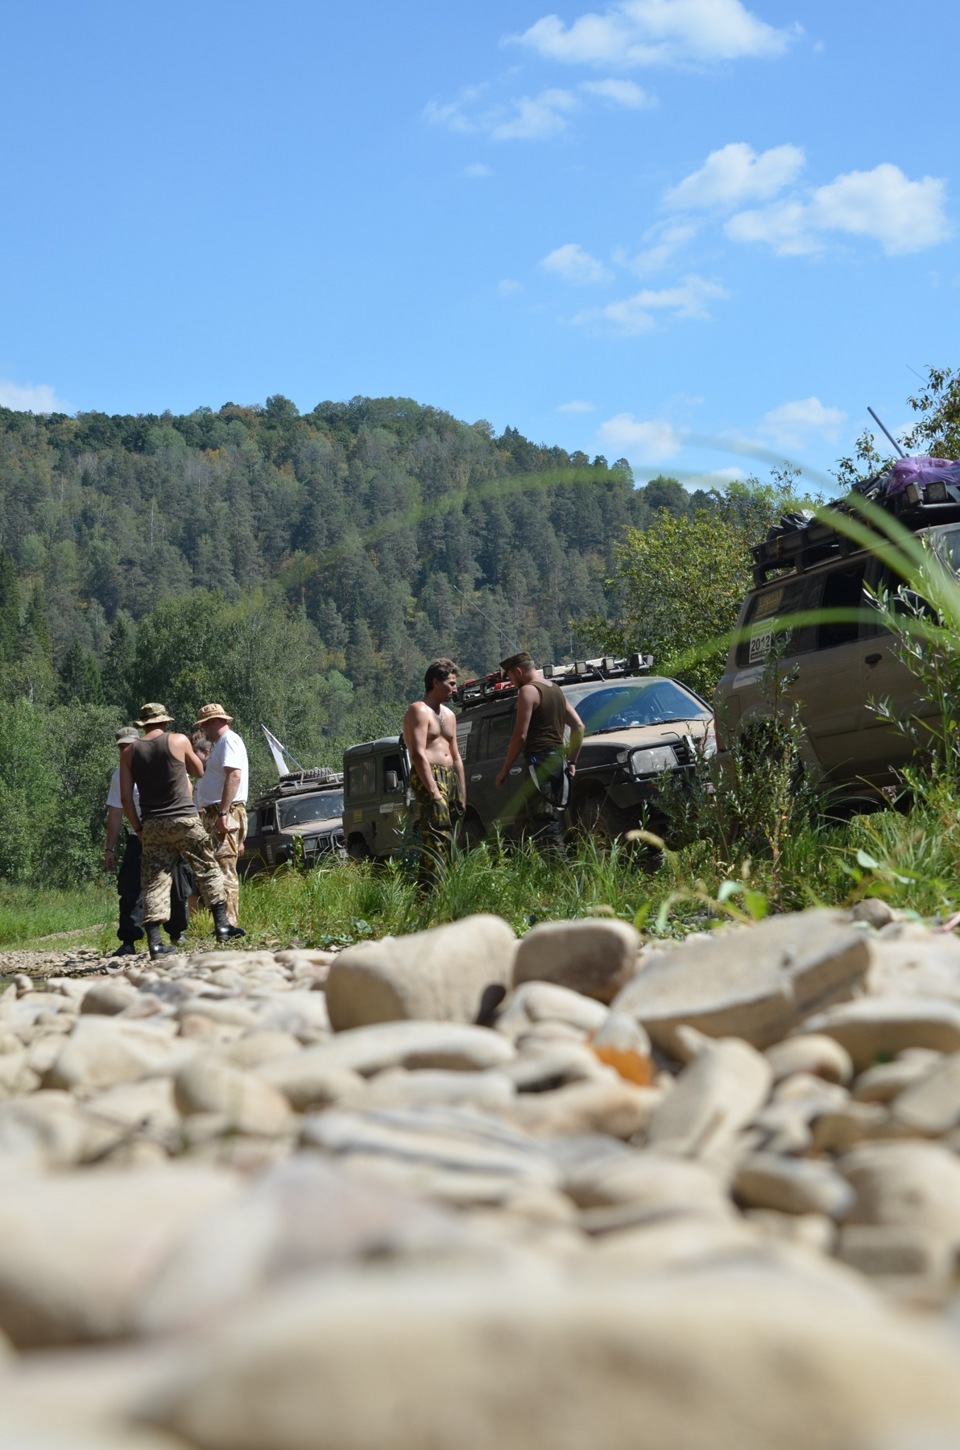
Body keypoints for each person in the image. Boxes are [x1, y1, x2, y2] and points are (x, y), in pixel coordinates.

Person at [121, 702, 244, 959]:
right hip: (184, 819)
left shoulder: (129, 752)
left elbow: (125, 798)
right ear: (165, 722)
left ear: (142, 725)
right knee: (207, 866)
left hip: (153, 823)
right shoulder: (177, 740)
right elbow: (198, 771)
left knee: (154, 880)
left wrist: (138, 827)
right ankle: (222, 926)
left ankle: (155, 944)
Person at [104, 726, 191, 955]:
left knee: (176, 884)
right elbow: (116, 811)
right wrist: (109, 848)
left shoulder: (163, 762)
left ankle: (176, 932)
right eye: (122, 747)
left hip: (169, 832)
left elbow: (186, 789)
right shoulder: (119, 775)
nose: (125, 750)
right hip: (139, 835)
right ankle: (129, 939)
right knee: (131, 888)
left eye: (129, 745)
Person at [494, 650, 585, 852]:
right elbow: (579, 726)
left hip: (539, 762)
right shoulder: (555, 689)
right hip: (558, 760)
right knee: (528, 819)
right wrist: (572, 762)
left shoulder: (528, 691)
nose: (511, 682)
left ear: (518, 671)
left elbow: (520, 736)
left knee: (544, 821)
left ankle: (559, 868)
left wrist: (504, 770)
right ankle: (524, 863)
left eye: (510, 677)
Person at [401, 658, 466, 889]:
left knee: (451, 836)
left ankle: (444, 889)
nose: (454, 689)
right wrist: (434, 792)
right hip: (429, 774)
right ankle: (431, 893)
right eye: (451, 683)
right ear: (436, 682)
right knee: (436, 836)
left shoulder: (450, 715)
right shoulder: (418, 710)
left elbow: (456, 755)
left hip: (450, 775)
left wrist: (462, 792)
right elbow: (417, 753)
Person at [192, 703, 249, 926]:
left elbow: (234, 775)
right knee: (216, 868)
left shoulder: (229, 740)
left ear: (213, 722)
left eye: (204, 725)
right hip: (216, 812)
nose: (203, 730)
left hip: (225, 811)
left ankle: (230, 925)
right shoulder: (220, 744)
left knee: (224, 869)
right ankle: (222, 923)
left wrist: (223, 813)